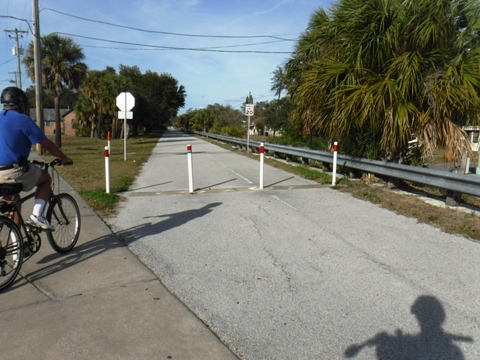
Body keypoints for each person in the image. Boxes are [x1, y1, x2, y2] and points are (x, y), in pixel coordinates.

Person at [0, 86, 73, 230]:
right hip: (13, 172)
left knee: (15, 202)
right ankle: (37, 216)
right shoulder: (23, 120)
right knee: (45, 179)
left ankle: (18, 247)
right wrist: (64, 158)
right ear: (21, 105)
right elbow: (47, 144)